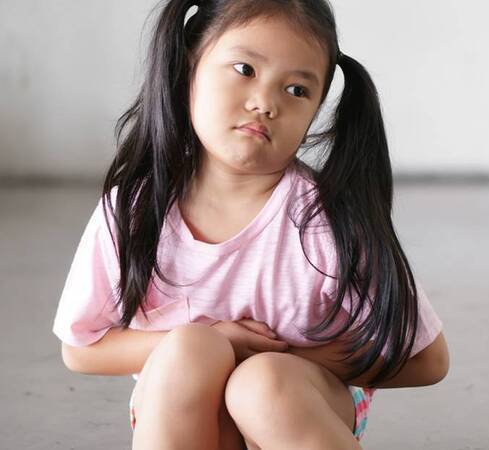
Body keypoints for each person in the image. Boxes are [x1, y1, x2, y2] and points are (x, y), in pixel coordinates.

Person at [52, 1, 449, 449]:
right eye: (244, 68)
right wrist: (213, 342)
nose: (265, 103)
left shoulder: (327, 222)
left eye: (297, 90)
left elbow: (428, 360)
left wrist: (281, 357)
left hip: (296, 411)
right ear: (190, 67)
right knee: (190, 351)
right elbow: (81, 347)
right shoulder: (134, 209)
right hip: (184, 414)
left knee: (260, 384)